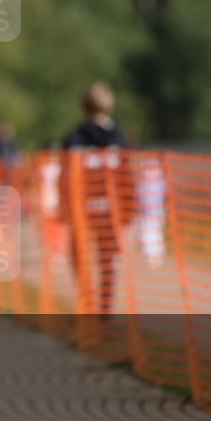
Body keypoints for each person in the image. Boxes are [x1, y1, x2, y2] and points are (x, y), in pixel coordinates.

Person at [61, 81, 127, 317]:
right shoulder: (119, 138)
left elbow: (65, 176)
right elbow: (126, 176)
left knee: (81, 255)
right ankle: (104, 306)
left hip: (83, 207)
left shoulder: (74, 138)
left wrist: (64, 206)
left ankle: (88, 303)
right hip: (110, 208)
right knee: (107, 259)